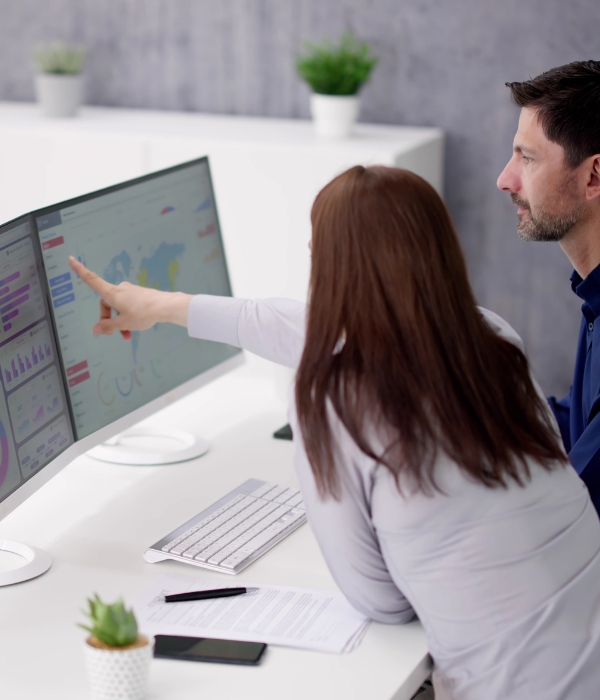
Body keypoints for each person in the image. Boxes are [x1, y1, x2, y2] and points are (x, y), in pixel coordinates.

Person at [69, 166, 600, 700]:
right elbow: (298, 326)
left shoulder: (334, 401)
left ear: (335, 269)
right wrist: (164, 307)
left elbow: (382, 603)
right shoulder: (493, 338)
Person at [497, 60, 600, 514]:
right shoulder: (593, 296)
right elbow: (578, 425)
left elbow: (570, 507)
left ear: (593, 176)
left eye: (528, 158)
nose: (505, 179)